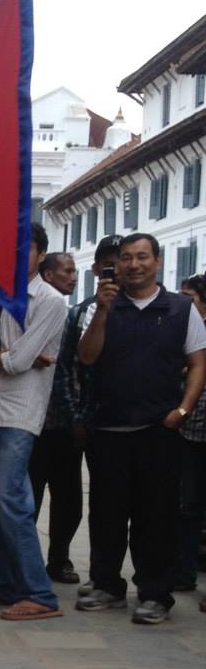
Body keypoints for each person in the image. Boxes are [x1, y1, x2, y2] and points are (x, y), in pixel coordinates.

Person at [76, 233, 206, 624]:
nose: (134, 265)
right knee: (106, 514)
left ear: (158, 261)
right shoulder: (100, 307)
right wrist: (102, 310)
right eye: (127, 258)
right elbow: (86, 357)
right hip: (108, 429)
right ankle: (106, 585)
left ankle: (155, 594)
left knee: (157, 516)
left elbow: (199, 362)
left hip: (158, 431)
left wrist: (182, 410)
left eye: (142, 257)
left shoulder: (182, 309)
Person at [0, 222, 67, 620]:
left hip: (20, 412)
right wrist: (3, 357)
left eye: (25, 249)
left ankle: (39, 593)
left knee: (11, 502)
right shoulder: (3, 299)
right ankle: (4, 583)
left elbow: (19, 361)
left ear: (41, 255)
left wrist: (3, 357)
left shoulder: (51, 300)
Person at [52, 235, 122, 599]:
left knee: (116, 501)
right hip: (80, 420)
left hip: (127, 422)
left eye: (121, 261)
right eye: (110, 264)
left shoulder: (145, 310)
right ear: (96, 269)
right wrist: (76, 416)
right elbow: (69, 368)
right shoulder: (81, 313)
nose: (118, 269)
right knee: (78, 498)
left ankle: (120, 575)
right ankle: (69, 562)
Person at [27, 251, 82, 584]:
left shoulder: (74, 316)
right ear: (47, 275)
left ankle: (59, 557)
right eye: (67, 271)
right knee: (29, 497)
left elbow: (74, 371)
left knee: (69, 498)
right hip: (34, 421)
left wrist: (77, 416)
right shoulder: (34, 311)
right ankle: (29, 560)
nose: (73, 277)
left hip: (65, 423)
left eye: (75, 271)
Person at [177, 274, 206, 594]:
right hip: (190, 431)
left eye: (192, 299)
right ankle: (183, 572)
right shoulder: (182, 331)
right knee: (186, 507)